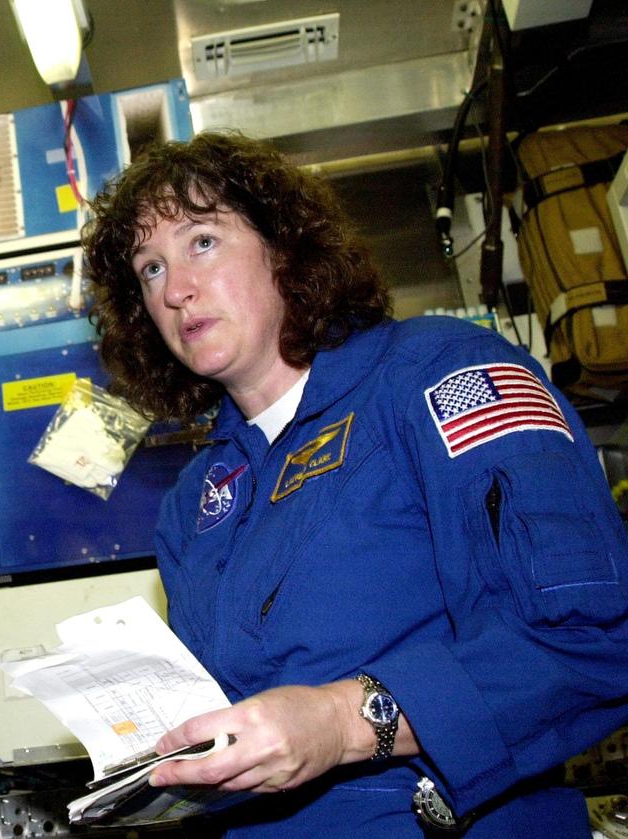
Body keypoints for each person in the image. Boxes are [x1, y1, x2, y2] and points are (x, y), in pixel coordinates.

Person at [82, 131, 628, 837]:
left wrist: (343, 721)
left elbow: (593, 638)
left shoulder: (436, 375)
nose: (177, 288)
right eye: (150, 269)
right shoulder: (193, 504)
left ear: (283, 244)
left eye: (203, 242)